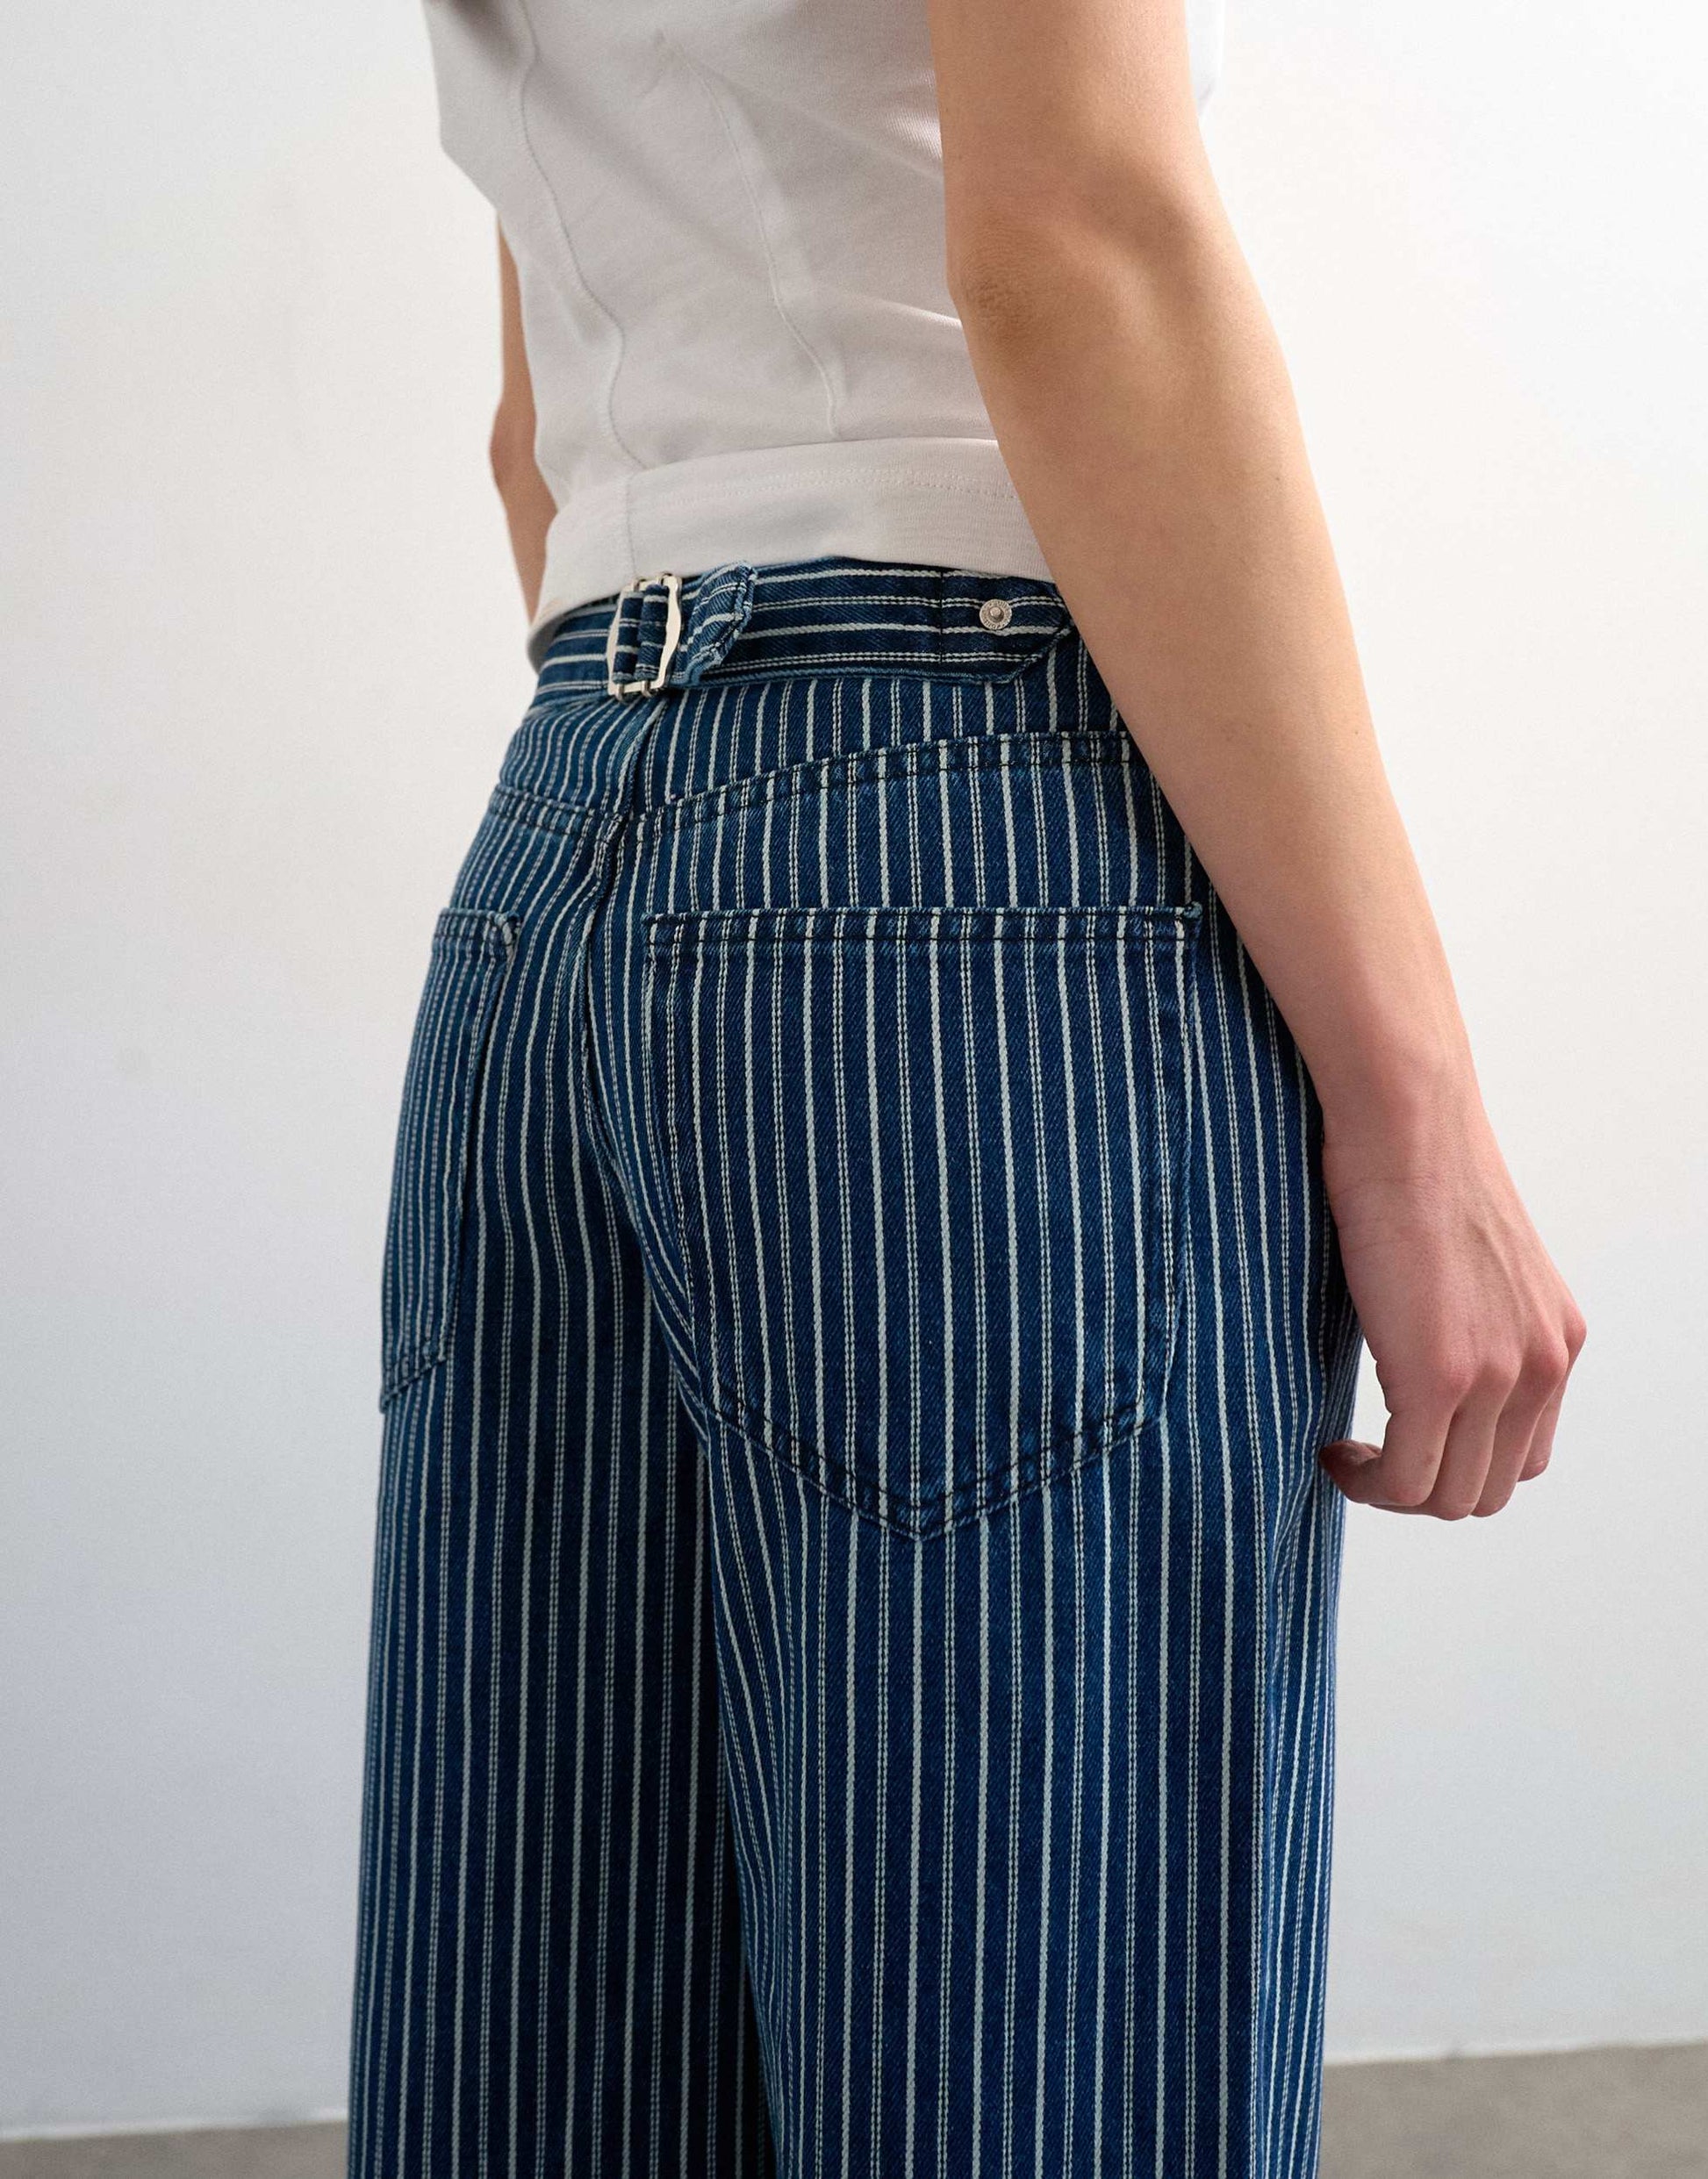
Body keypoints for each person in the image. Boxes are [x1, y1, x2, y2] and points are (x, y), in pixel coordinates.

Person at [346, 0, 1586, 2173]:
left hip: (563, 851)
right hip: (980, 869)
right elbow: (1073, 239)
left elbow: (535, 430)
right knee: (1039, 2065)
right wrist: (1417, 1113)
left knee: (564, 2040)